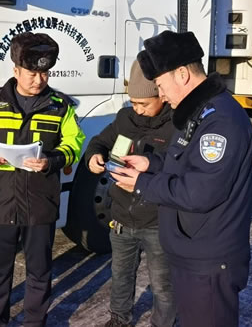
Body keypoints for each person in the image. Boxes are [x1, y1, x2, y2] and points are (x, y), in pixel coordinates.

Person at [110, 31, 252, 327]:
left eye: (161, 86)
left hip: (209, 260)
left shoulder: (220, 120)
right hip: (192, 252)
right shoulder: (197, 113)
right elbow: (184, 163)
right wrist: (150, 164)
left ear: (183, 74)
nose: (161, 95)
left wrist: (141, 184)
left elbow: (200, 191)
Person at [0, 32, 85, 327]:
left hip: (40, 202)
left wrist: (52, 161)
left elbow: (74, 143)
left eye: (45, 73)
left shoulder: (60, 106)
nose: (39, 80)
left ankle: (34, 322)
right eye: (32, 73)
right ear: (16, 70)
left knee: (39, 272)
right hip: (0, 202)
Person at [85, 60, 176, 327]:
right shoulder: (125, 118)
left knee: (162, 283)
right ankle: (119, 319)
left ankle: (164, 323)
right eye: (133, 102)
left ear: (161, 95)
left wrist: (150, 167)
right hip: (122, 218)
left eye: (144, 104)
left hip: (158, 220)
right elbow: (99, 141)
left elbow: (179, 165)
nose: (138, 109)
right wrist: (94, 156)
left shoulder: (176, 124)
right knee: (121, 276)